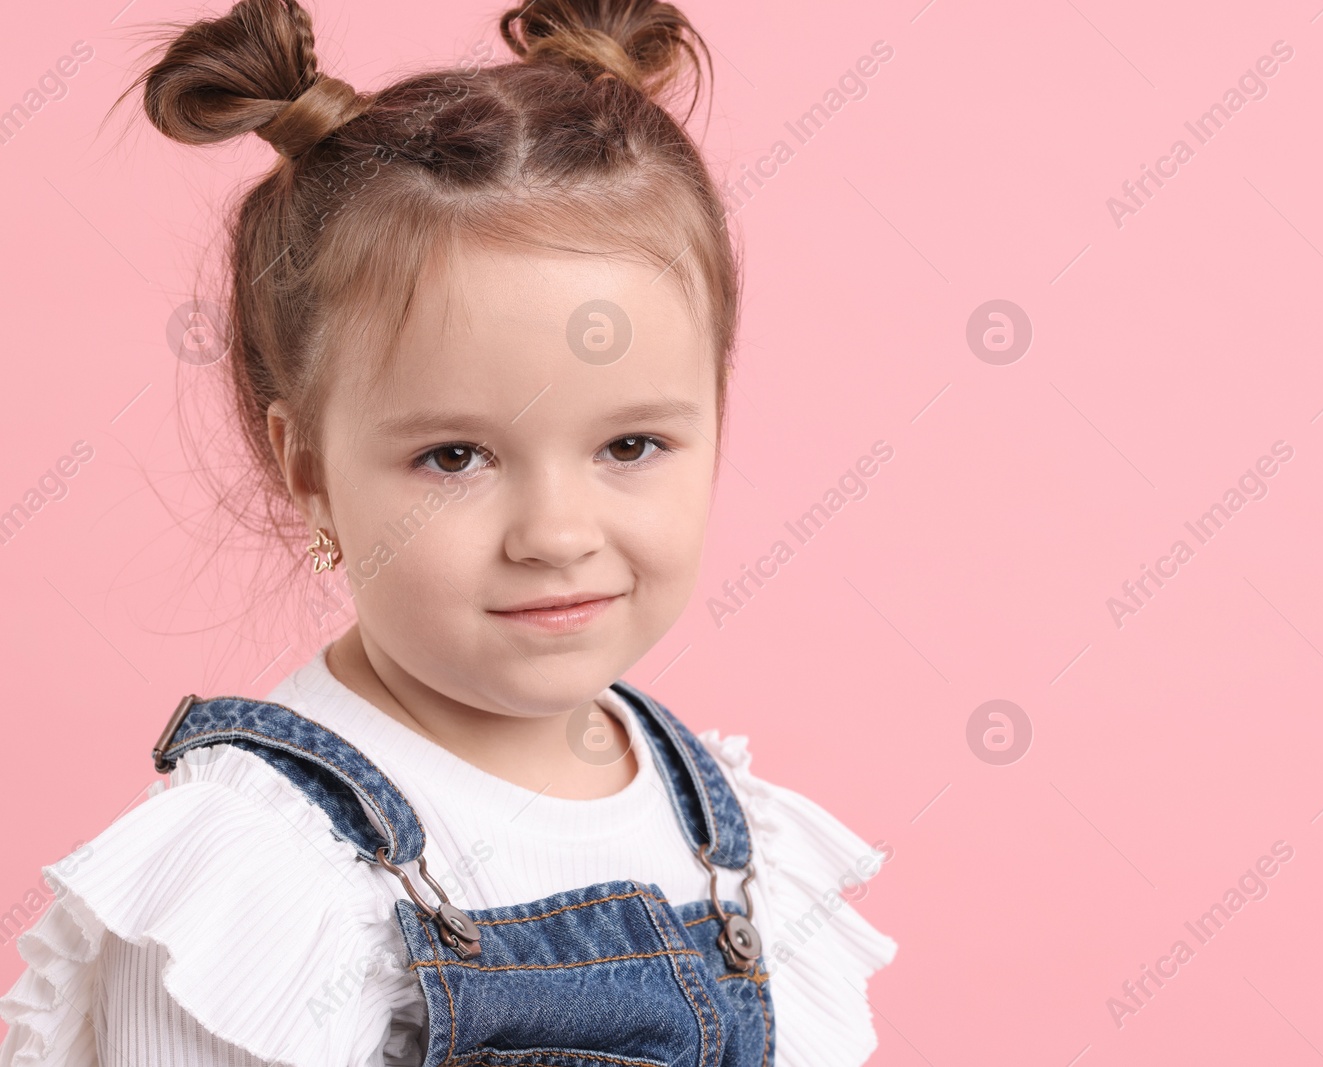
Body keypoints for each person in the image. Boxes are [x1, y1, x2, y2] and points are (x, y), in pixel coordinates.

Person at [0, 1, 897, 1063]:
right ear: (310, 469)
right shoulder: (258, 871)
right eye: (455, 457)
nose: (557, 533)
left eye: (630, 445)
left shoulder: (725, 828)